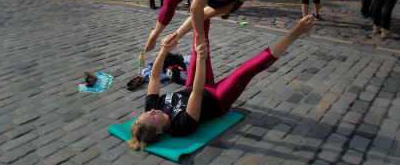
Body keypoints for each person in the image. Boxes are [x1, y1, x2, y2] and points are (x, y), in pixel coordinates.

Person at [129, 14, 314, 150]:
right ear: (159, 130)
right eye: (152, 116)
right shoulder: (180, 126)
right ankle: (295, 33)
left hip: (195, 85)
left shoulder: (152, 106)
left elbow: (154, 77)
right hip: (217, 98)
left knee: (199, 34)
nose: (152, 110)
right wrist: (201, 58)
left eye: (148, 112)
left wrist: (164, 51)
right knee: (247, 69)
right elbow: (197, 94)